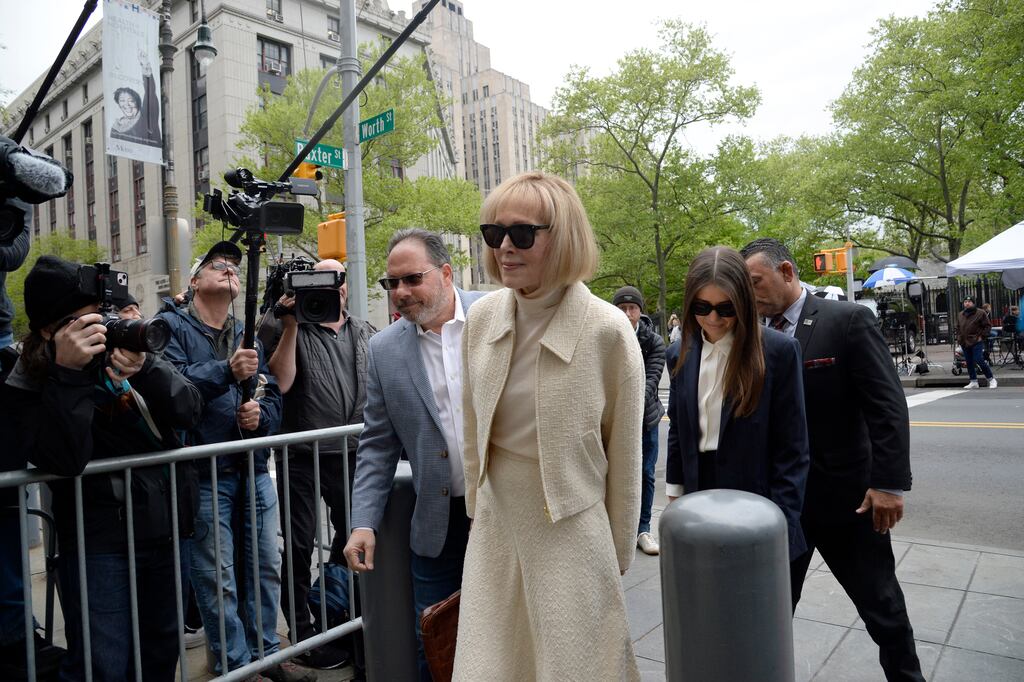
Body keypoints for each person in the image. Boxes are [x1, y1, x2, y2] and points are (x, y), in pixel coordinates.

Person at [453, 171, 644, 680]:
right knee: (490, 664)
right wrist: (477, 506)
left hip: (570, 525)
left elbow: (626, 452)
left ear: (563, 237)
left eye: (522, 233)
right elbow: (473, 424)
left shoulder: (608, 329)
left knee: (575, 665)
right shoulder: (482, 317)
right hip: (498, 522)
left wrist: (620, 546)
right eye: (493, 234)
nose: (504, 248)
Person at [2, 255, 203, 681]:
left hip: (168, 529)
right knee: (103, 665)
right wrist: (69, 374)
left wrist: (146, 368)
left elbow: (189, 410)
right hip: (100, 543)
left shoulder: (126, 354)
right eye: (82, 320)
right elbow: (65, 459)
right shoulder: (30, 378)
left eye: (102, 315)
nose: (100, 327)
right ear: (48, 329)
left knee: (160, 655)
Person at [741, 238, 924, 681]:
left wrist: (888, 484)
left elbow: (887, 407)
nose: (750, 294)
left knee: (883, 611)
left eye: (755, 282)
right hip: (784, 507)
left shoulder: (846, 321)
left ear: (786, 272)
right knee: (767, 615)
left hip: (850, 503)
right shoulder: (751, 337)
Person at [158, 242, 312, 681]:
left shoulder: (246, 333)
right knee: (217, 579)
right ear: (193, 281)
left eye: (234, 266)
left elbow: (271, 398)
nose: (229, 269)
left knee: (265, 569)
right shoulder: (168, 327)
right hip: (204, 477)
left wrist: (259, 418)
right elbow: (170, 388)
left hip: (252, 471)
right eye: (216, 264)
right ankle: (237, 668)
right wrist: (226, 371)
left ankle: (268, 656)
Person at [343, 229, 484, 681]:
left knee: (507, 642)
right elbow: (378, 444)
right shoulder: (384, 350)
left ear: (445, 273)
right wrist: (362, 521)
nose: (400, 293)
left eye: (412, 279)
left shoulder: (497, 315)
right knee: (436, 648)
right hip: (435, 532)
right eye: (392, 283)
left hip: (504, 520)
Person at [664, 246, 809, 559]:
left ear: (743, 303)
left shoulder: (778, 352)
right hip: (698, 494)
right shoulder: (678, 354)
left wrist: (781, 522)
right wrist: (675, 498)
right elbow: (679, 430)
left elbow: (793, 450)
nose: (713, 318)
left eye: (725, 308)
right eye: (702, 307)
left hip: (757, 498)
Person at [265, 259, 375, 670]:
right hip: (301, 456)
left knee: (355, 537)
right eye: (320, 279)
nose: (332, 287)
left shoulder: (363, 330)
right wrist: (291, 323)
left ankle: (341, 609)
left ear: (346, 285)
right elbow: (281, 381)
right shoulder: (285, 326)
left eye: (338, 279)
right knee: (297, 543)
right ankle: (302, 630)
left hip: (352, 452)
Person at [612, 285, 665, 556]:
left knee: (645, 472)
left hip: (645, 419)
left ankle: (643, 528)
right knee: (612, 473)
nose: (627, 314)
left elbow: (651, 380)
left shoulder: (652, 341)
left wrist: (629, 403)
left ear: (640, 312)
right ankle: (617, 526)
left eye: (632, 308)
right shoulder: (607, 336)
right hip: (612, 421)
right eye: (621, 308)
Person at [110, 51, 162, 148]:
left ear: (137, 102)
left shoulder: (146, 115)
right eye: (122, 101)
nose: (127, 105)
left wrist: (145, 65)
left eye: (130, 100)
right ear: (118, 104)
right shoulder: (115, 129)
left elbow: (150, 92)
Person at [957, 296, 996, 389]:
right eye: (965, 301)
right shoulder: (961, 314)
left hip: (976, 340)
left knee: (979, 359)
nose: (967, 303)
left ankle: (991, 379)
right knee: (969, 361)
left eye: (969, 301)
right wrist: (959, 337)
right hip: (964, 341)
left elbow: (987, 326)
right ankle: (973, 381)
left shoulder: (980, 313)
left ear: (973, 303)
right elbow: (958, 327)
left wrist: (981, 336)